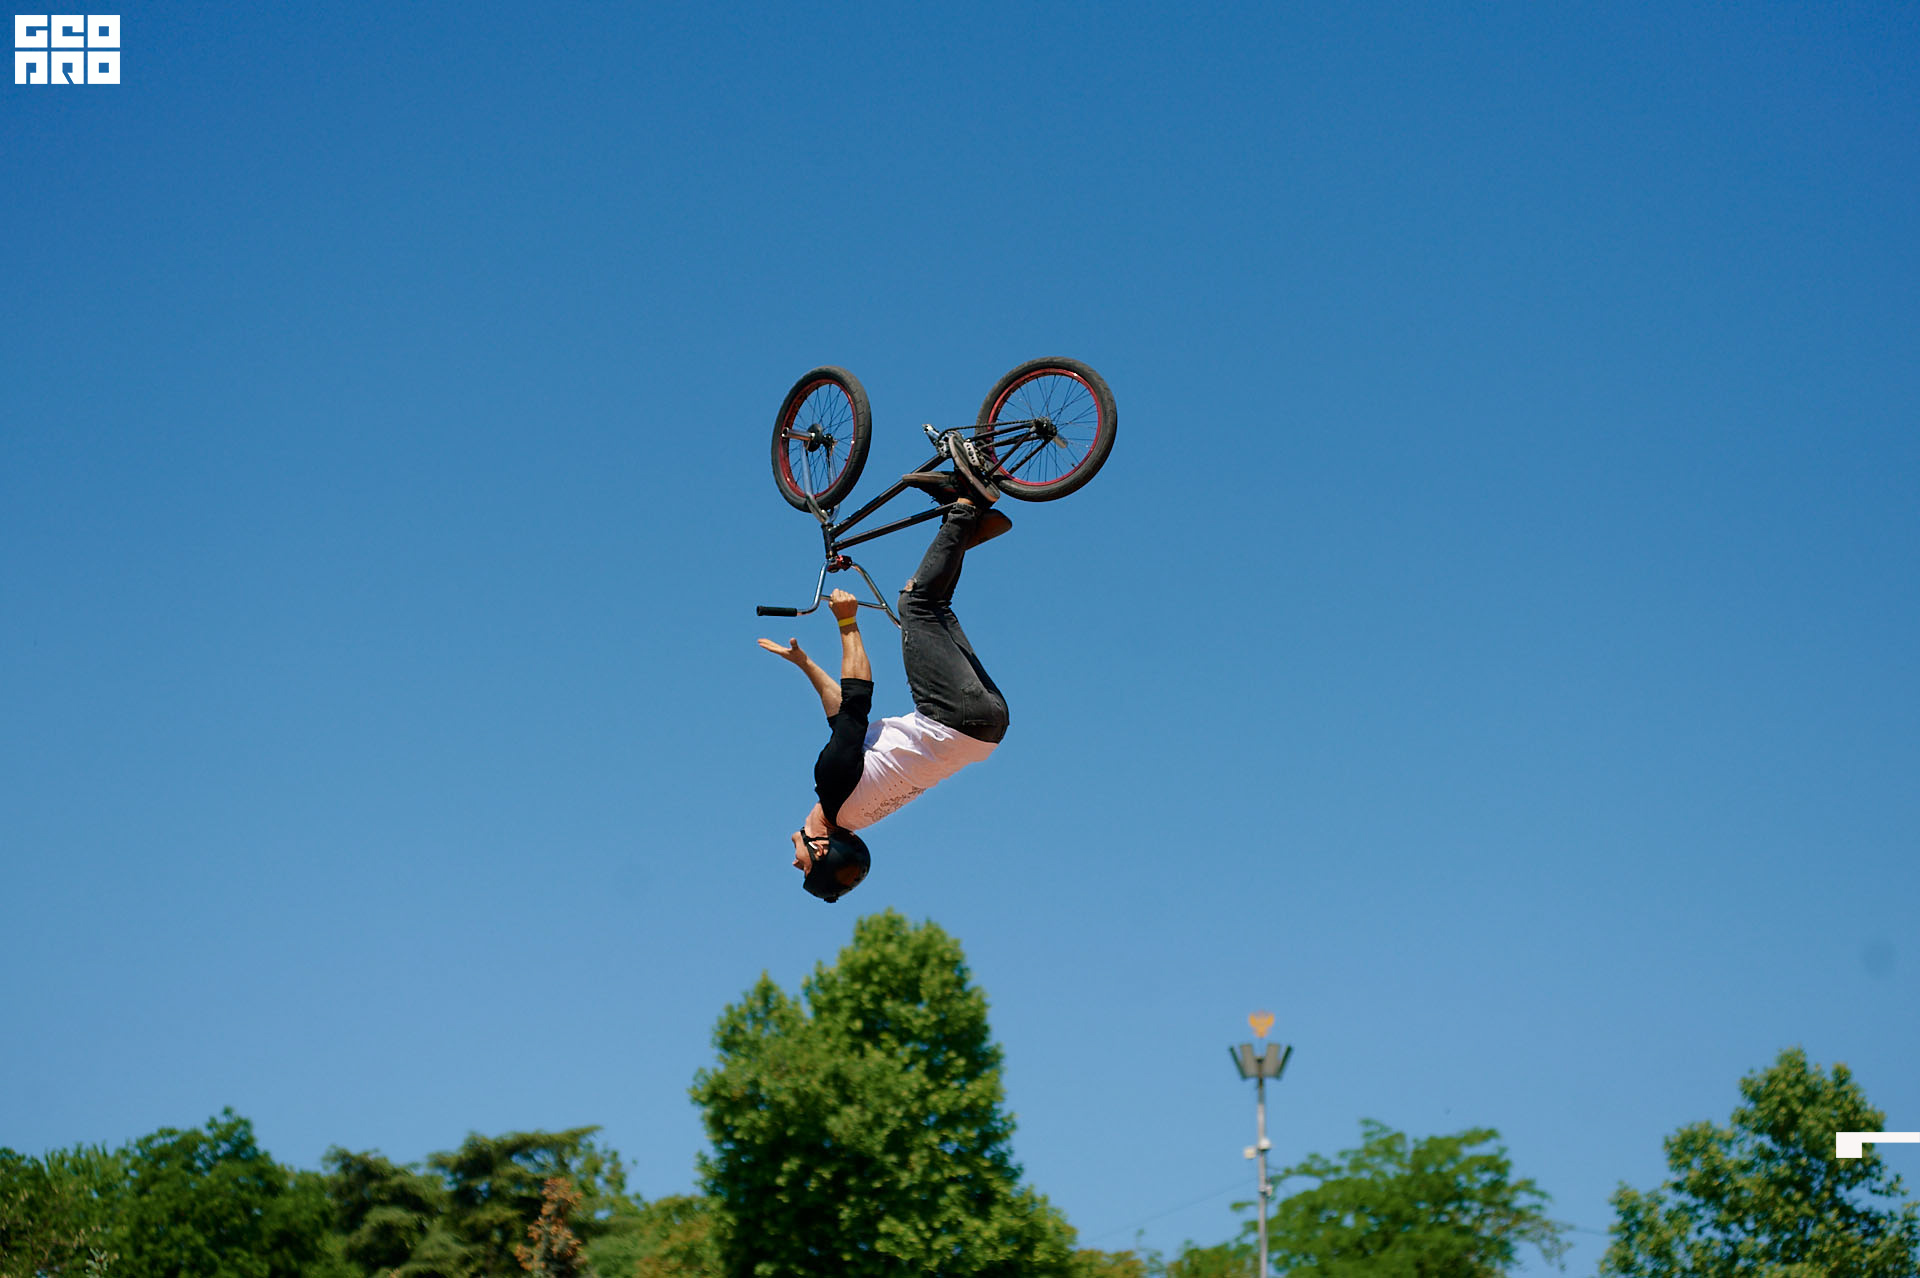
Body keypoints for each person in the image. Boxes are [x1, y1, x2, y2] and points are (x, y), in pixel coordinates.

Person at [758, 465, 1013, 902]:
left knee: (937, 605)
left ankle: (964, 524)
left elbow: (843, 720)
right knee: (916, 604)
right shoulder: (833, 788)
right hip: (951, 717)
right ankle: (966, 502)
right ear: (822, 849)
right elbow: (857, 701)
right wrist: (847, 622)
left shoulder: (856, 811)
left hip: (985, 729)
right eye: (803, 865)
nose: (794, 861)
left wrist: (805, 664)